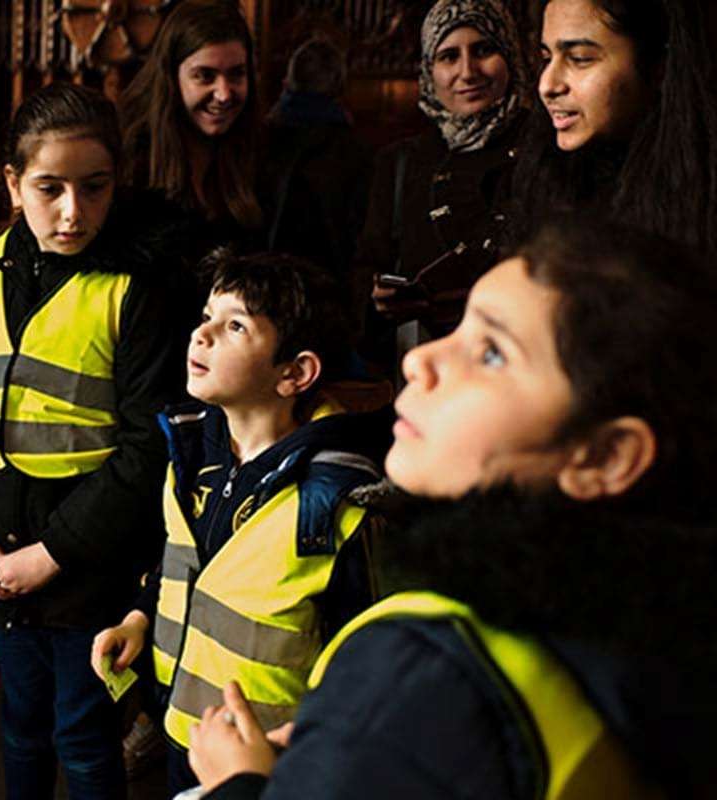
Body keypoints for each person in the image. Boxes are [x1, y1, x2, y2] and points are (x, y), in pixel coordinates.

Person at [186, 219, 717, 798]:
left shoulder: (424, 670)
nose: (422, 361)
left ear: (607, 456)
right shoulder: (647, 637)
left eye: (492, 352)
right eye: (458, 328)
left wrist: (239, 783)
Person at [0, 82, 181, 800]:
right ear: (12, 184)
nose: (74, 212)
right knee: (22, 727)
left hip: (95, 552)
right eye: (50, 188)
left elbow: (147, 449)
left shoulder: (136, 286)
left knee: (83, 732)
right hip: (4, 544)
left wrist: (54, 555)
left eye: (94, 188)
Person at [90, 251, 390, 796]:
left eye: (234, 326)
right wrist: (140, 618)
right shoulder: (189, 452)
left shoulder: (338, 502)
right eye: (206, 314)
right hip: (188, 733)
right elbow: (190, 564)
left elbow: (366, 664)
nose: (201, 334)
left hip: (273, 762)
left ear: (294, 373)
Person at [356, 0, 528, 370]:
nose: (467, 72)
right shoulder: (401, 162)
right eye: (449, 56)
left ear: (511, 56)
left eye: (483, 50)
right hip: (427, 367)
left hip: (523, 366)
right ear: (429, 70)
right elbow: (368, 266)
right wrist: (379, 298)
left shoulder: (545, 150)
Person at [512, 0, 717, 255]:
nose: (547, 86)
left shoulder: (702, 198)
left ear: (660, 67)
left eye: (580, 59)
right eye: (546, 58)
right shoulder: (550, 179)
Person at [118, 0, 263, 249]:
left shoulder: (263, 160)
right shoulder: (130, 160)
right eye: (205, 76)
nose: (224, 94)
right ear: (172, 79)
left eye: (237, 74)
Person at [262, 37, 375, 303]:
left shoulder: (257, 141)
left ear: (287, 83)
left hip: (264, 288)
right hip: (330, 293)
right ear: (339, 90)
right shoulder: (356, 151)